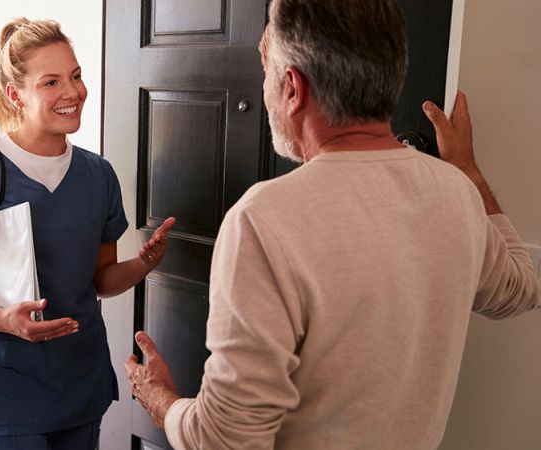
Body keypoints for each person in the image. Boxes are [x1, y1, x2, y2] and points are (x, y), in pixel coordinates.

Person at [124, 0, 541, 448]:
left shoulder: (264, 220)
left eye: (265, 69)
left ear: (291, 87)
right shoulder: (456, 193)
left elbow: (228, 440)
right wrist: (468, 172)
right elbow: (521, 289)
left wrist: (160, 399)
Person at [0, 17, 175, 450]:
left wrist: (143, 264)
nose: (72, 92)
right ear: (15, 94)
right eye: (51, 82)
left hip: (79, 381)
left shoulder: (98, 175)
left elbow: (101, 280)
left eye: (75, 76)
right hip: (3, 387)